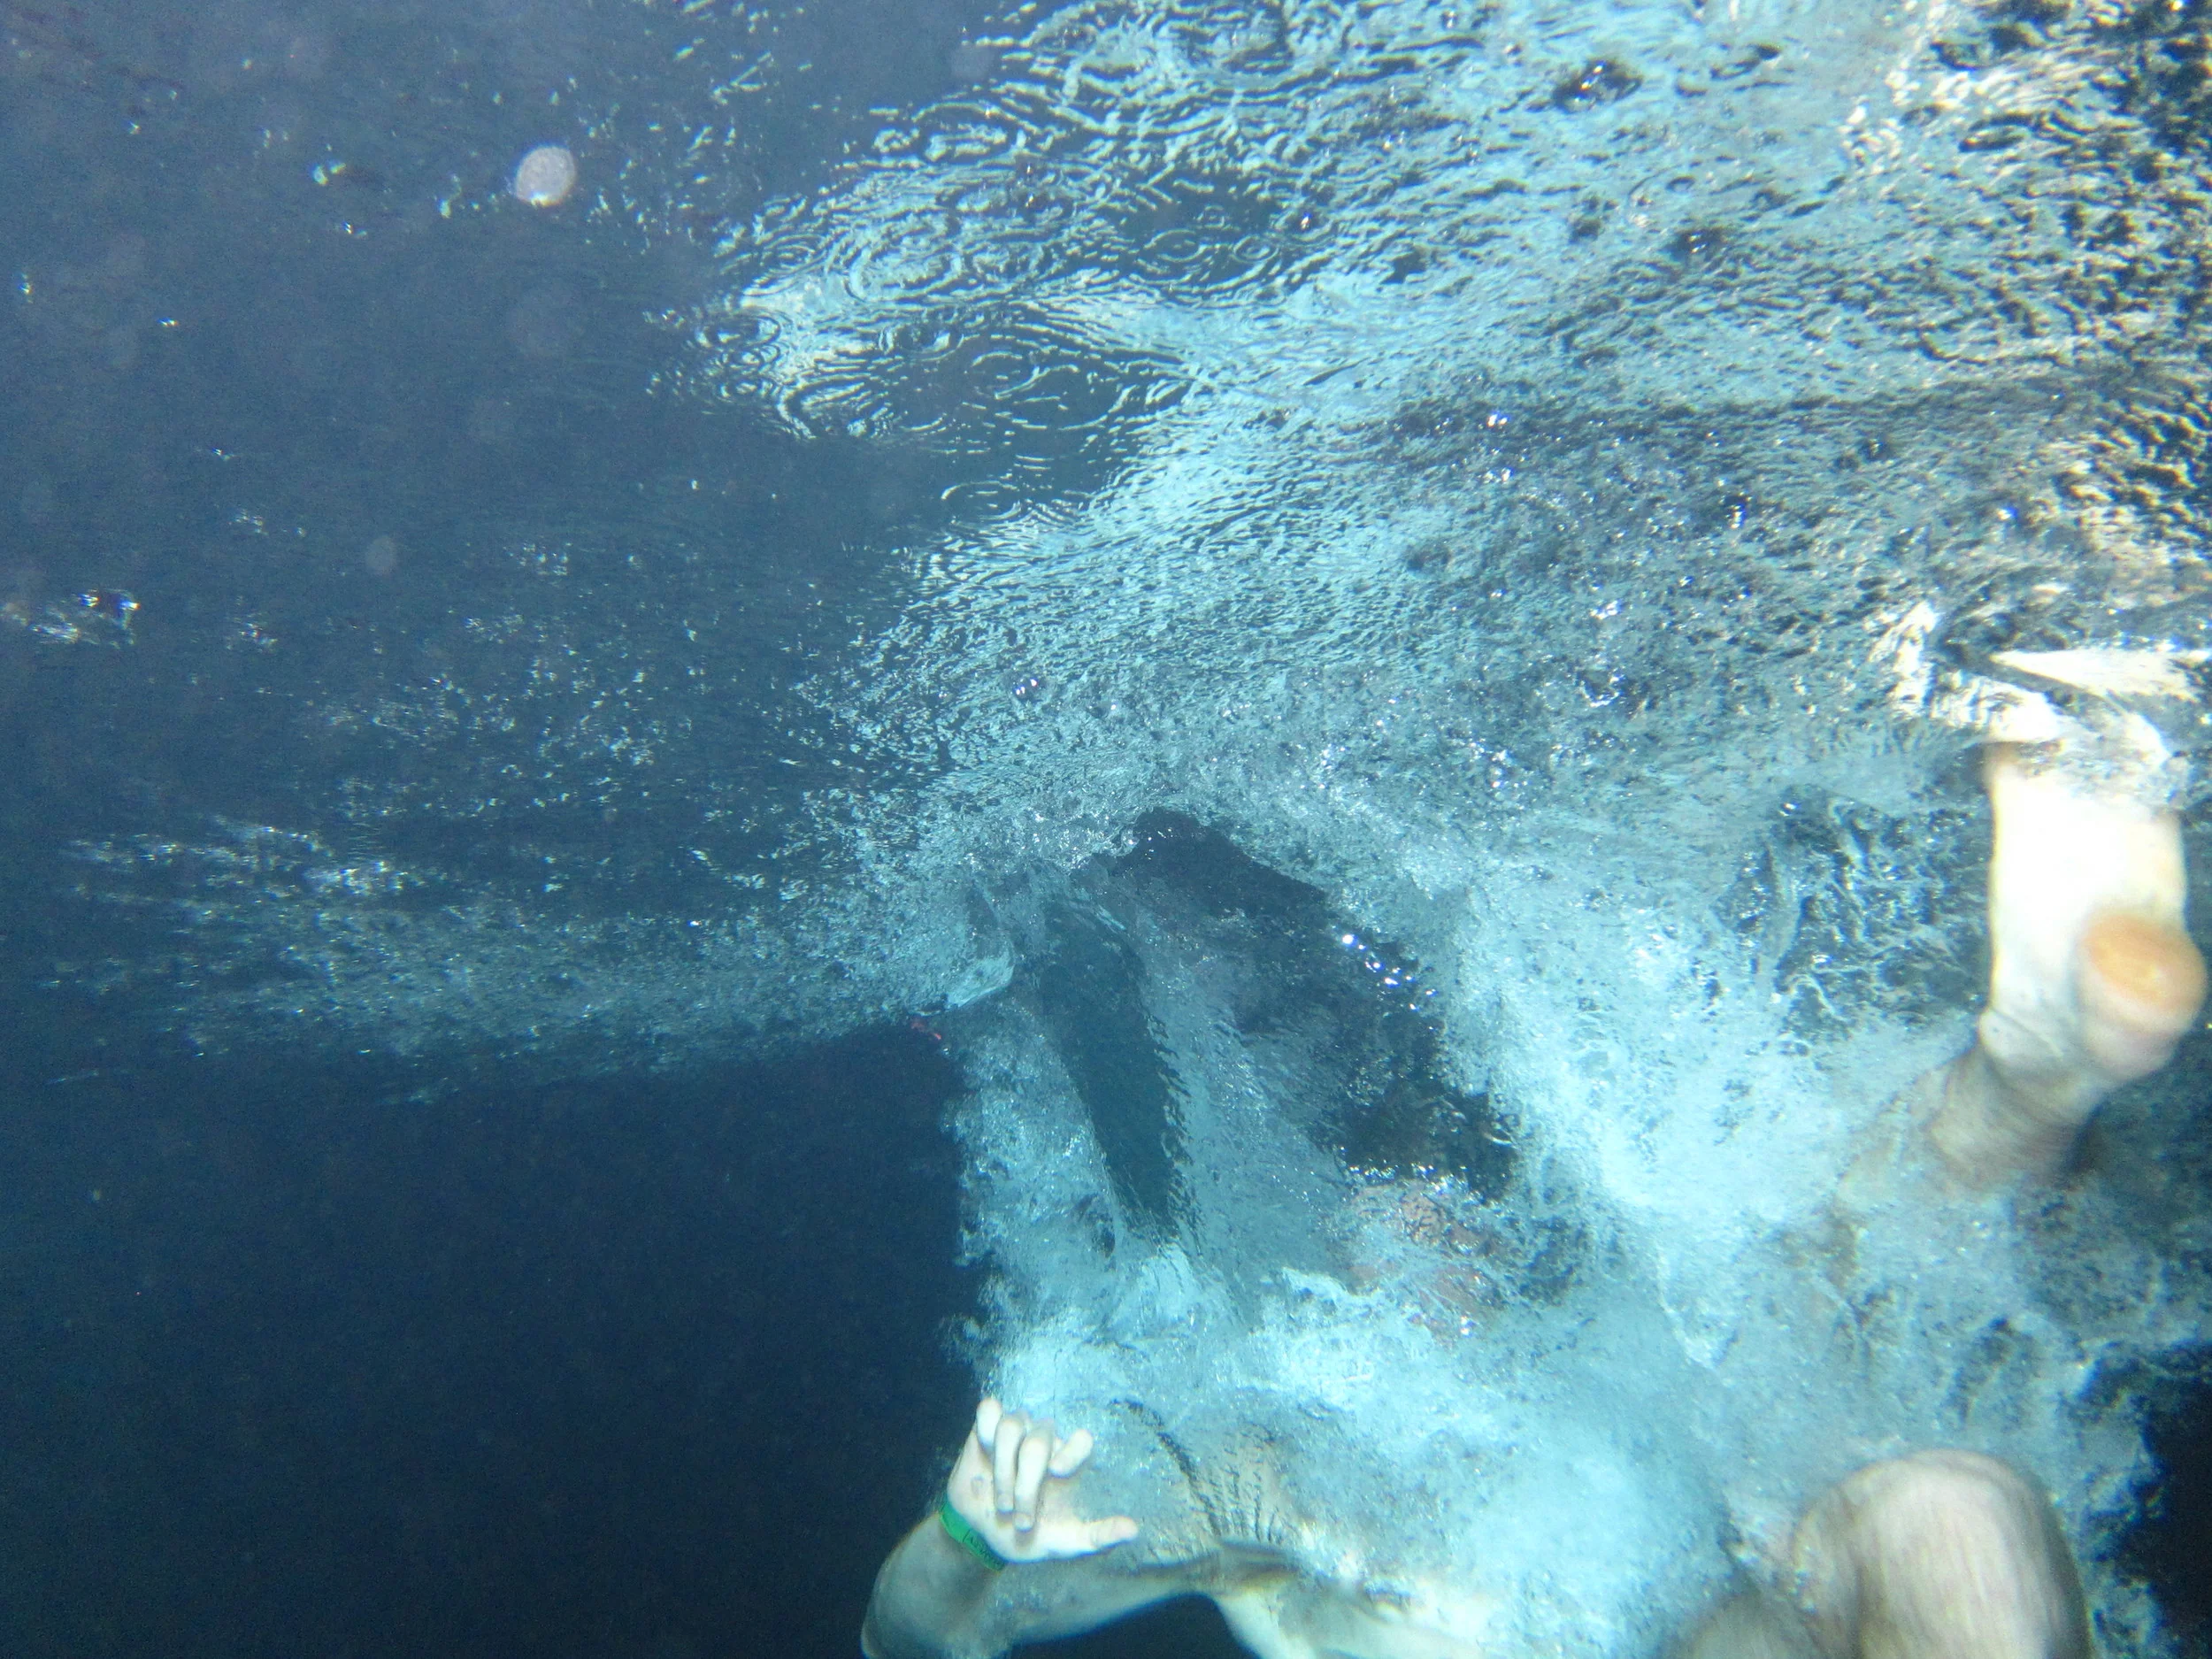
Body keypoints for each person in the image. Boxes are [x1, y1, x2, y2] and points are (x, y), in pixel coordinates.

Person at [864, 718, 2204, 1659]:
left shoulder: (1596, 1386)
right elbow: (909, 1640)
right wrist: (965, 1546)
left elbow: (1828, 1273)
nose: (1438, 1248)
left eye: (1460, 1219)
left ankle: (2032, 1071)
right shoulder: (1275, 1464)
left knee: (1953, 1519)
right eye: (1402, 1218)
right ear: (1346, 1259)